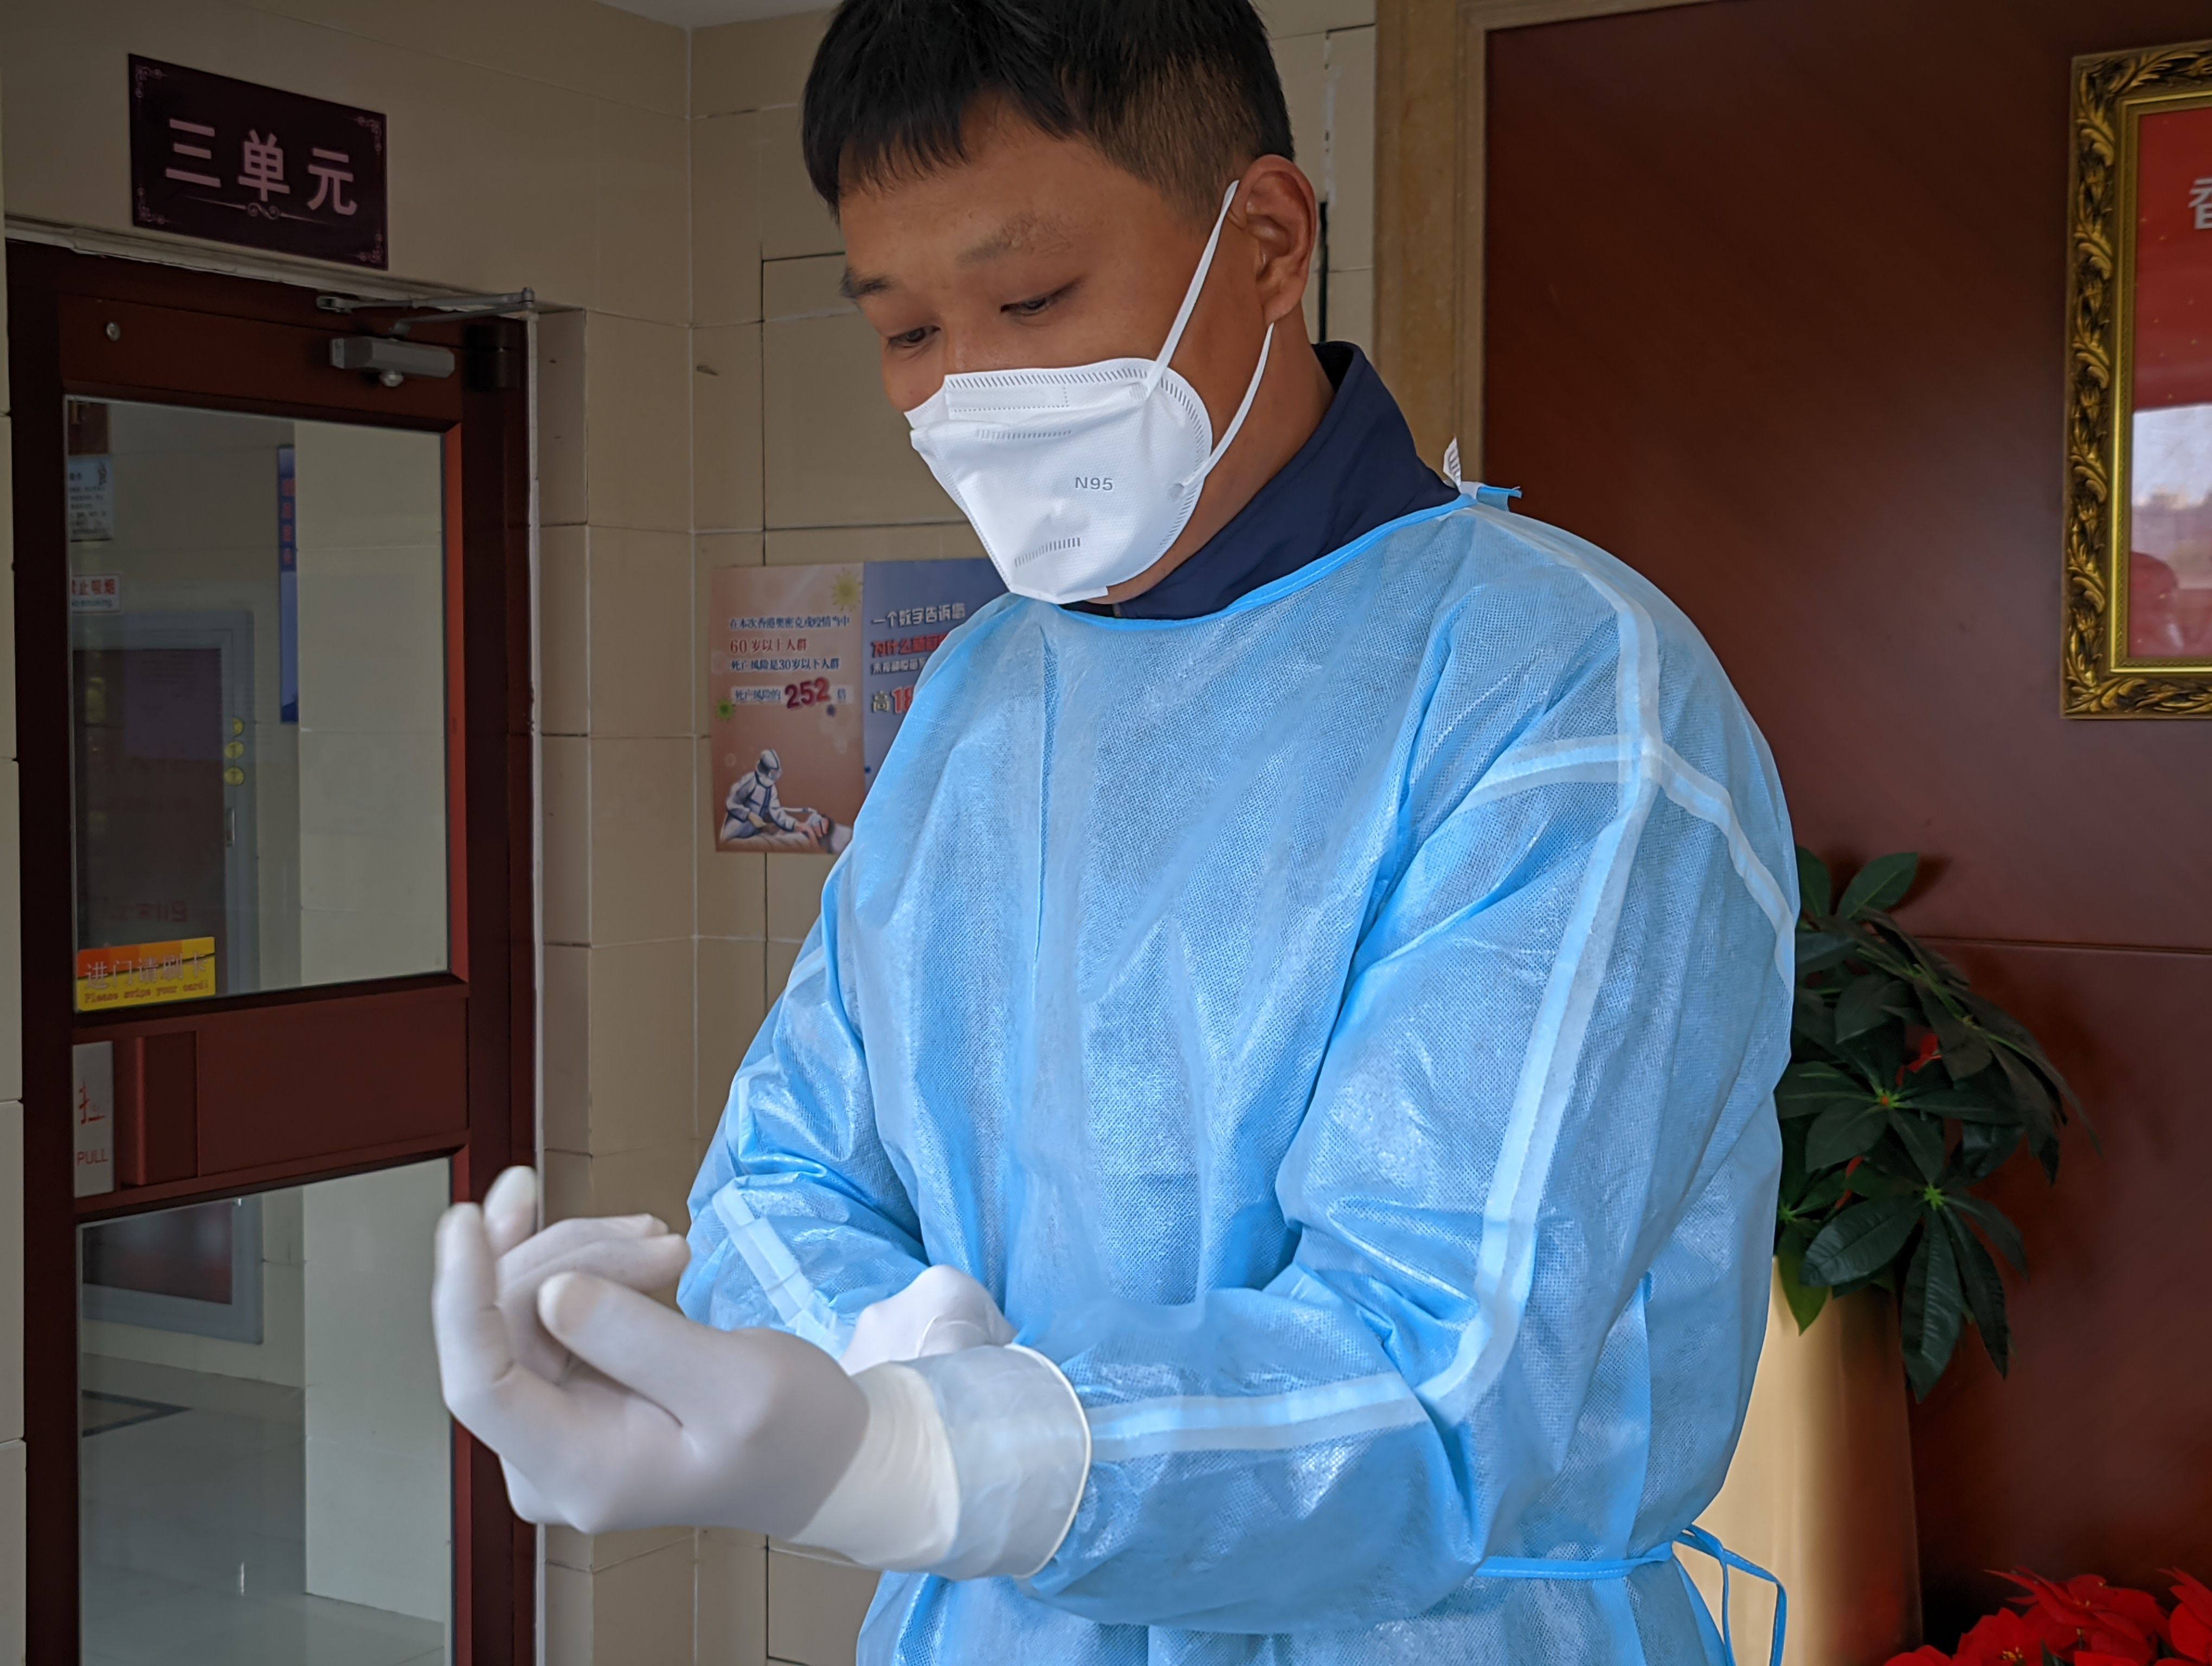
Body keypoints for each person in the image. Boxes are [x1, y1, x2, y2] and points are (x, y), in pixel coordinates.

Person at [432, 3, 1798, 1662]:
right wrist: (875, 1360)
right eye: (906, 329)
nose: (967, 389)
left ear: (1268, 242)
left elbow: (1440, 1380)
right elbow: (788, 1167)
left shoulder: (1566, 699)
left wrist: (946, 1456)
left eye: (1030, 300)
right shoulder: (985, 692)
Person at [721, 748, 829, 844]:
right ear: (764, 771)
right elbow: (731, 803)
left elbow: (778, 815)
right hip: (734, 830)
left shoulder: (771, 789)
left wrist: (796, 825)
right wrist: (748, 815)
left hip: (751, 834)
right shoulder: (750, 781)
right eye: (773, 774)